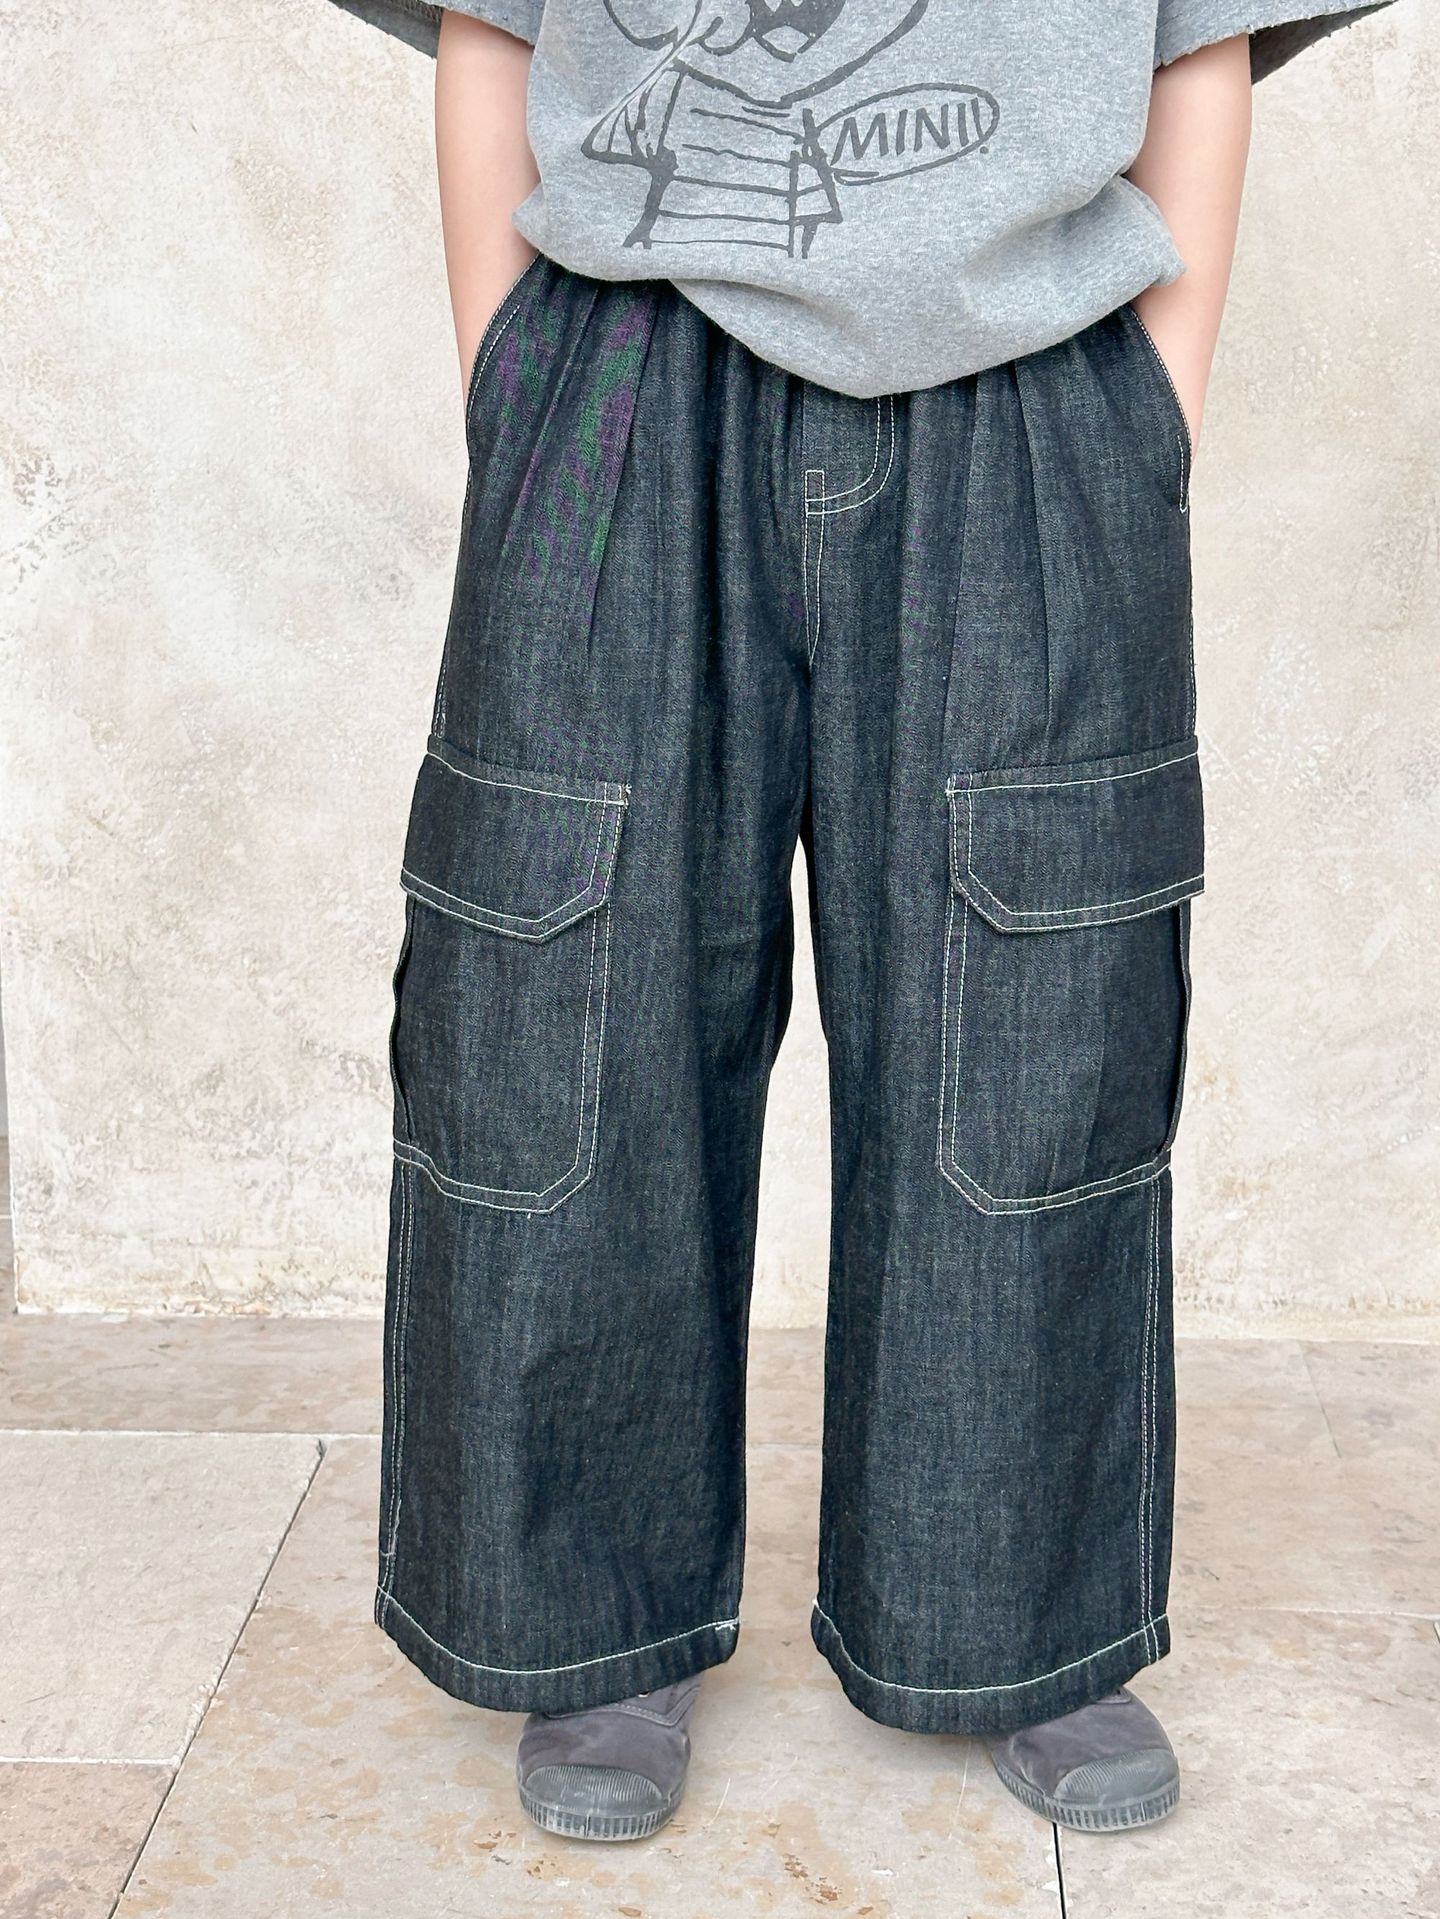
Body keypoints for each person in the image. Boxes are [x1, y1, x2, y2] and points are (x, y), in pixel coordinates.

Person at [328, 0, 1396, 1843]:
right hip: (626, 359)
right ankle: (592, 1618)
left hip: (1031, 376)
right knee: (578, 1001)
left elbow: (1198, 34)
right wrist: (511, 376)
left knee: (1033, 1020)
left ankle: (1024, 1621)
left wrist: (1155, 404)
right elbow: (490, 21)